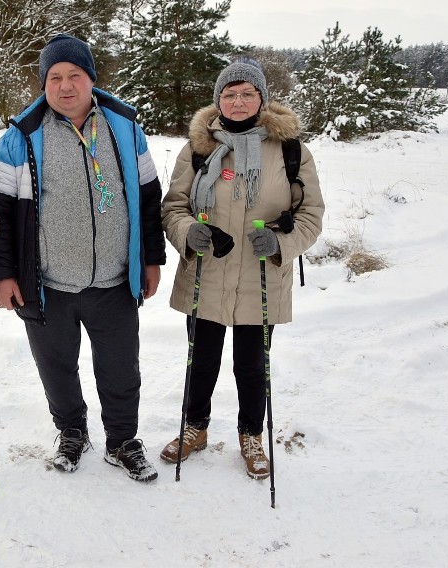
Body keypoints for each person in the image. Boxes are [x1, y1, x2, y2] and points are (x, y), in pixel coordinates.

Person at [0, 34, 167, 482]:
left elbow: (147, 197)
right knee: (57, 368)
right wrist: (0, 274)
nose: (65, 86)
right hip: (47, 283)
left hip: (114, 280)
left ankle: (122, 440)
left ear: (91, 79)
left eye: (74, 76)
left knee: (121, 368)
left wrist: (151, 258)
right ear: (44, 83)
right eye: (55, 77)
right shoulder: (20, 138)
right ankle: (71, 432)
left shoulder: (125, 128)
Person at [159, 58, 324, 479]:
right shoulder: (198, 148)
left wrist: (282, 242)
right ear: (218, 100)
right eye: (229, 93)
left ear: (261, 99)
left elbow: (310, 215)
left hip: (262, 277)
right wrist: (187, 232)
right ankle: (194, 428)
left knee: (252, 365)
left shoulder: (290, 151)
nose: (237, 100)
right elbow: (175, 206)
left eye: (247, 93)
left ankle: (251, 434)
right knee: (201, 359)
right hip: (207, 274)